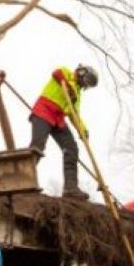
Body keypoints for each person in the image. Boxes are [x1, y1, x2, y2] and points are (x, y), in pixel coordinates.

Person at [28, 64, 98, 201]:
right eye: (88, 79)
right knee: (38, 146)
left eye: (89, 83)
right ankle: (23, 178)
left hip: (58, 118)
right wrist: (66, 84)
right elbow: (56, 73)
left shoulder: (77, 94)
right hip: (44, 110)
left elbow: (74, 115)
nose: (86, 83)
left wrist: (82, 130)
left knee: (71, 148)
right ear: (83, 72)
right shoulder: (66, 72)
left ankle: (70, 188)